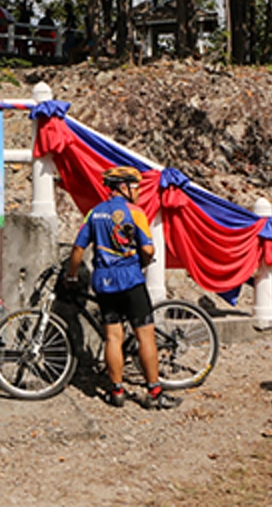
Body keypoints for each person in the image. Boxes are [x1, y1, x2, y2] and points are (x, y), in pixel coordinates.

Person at [65, 166, 180, 410]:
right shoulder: (135, 213)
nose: (138, 192)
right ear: (123, 188)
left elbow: (78, 248)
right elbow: (148, 250)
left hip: (104, 281)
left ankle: (116, 391)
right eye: (136, 187)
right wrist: (143, 264)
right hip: (130, 279)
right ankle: (154, 392)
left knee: (112, 338)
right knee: (145, 336)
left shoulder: (94, 214)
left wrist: (72, 275)